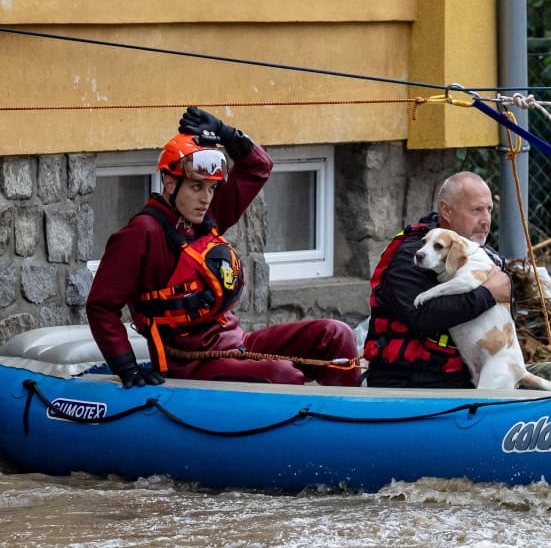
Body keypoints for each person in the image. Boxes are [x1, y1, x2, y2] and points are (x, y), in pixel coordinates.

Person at [86, 107, 360, 388]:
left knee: (336, 334)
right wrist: (127, 368)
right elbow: (100, 307)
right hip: (190, 364)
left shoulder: (204, 217)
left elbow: (259, 167)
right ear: (169, 182)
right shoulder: (141, 234)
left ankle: (351, 421)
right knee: (284, 376)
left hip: (237, 344)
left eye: (212, 188)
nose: (206, 198)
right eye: (196, 187)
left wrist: (225, 132)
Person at [363, 171, 512, 388]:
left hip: (468, 373)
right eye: (476, 210)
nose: (486, 221)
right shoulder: (412, 255)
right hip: (412, 380)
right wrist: (488, 294)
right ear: (446, 210)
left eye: (489, 210)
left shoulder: (483, 254)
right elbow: (420, 316)